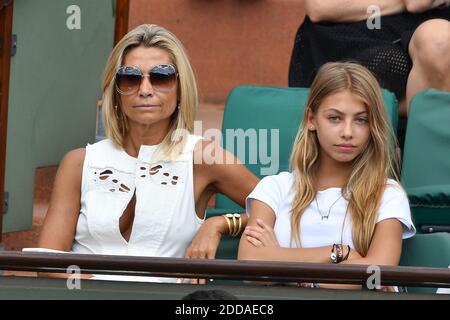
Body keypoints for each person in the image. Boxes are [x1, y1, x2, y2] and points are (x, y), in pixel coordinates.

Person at [36, 24, 259, 282]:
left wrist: (218, 224)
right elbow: (47, 263)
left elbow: (282, 207)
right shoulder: (79, 163)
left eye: (161, 77)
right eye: (130, 77)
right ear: (116, 90)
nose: (145, 89)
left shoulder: (201, 158)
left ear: (180, 88)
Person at [238, 62, 416, 290]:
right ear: (311, 120)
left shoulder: (387, 194)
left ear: (372, 127)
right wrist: (339, 252)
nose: (348, 132)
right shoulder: (275, 187)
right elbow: (250, 265)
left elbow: (376, 274)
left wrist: (280, 261)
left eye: (360, 120)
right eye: (335, 118)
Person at [289, 0, 450, 117]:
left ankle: (416, 153)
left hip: (428, 36)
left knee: (439, 41)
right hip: (355, 40)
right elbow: (319, 7)